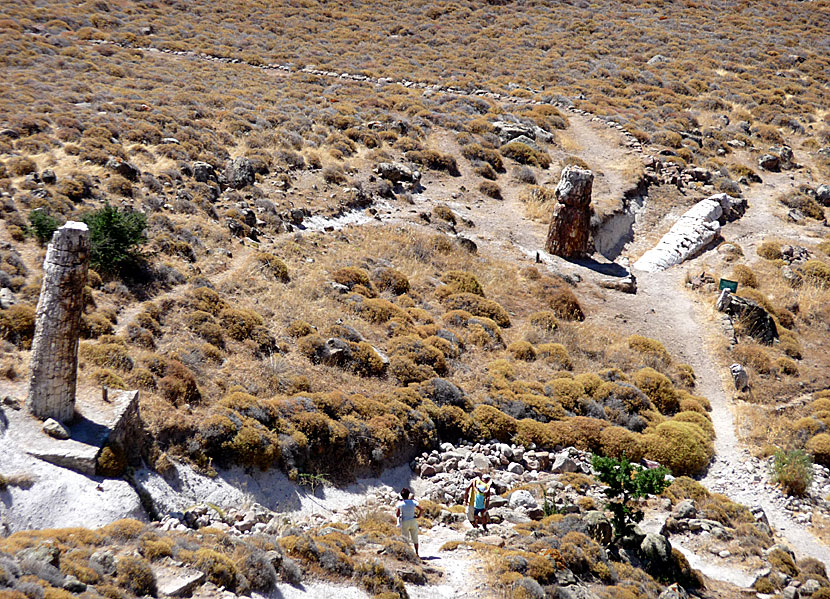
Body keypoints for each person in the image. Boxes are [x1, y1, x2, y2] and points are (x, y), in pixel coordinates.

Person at [396, 487, 424, 558]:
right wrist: (418, 516)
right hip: (413, 520)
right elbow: (421, 509)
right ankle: (417, 553)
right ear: (408, 495)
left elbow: (397, 514)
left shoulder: (400, 504)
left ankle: (406, 553)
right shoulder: (413, 502)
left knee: (405, 538)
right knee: (415, 537)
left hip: (405, 521)